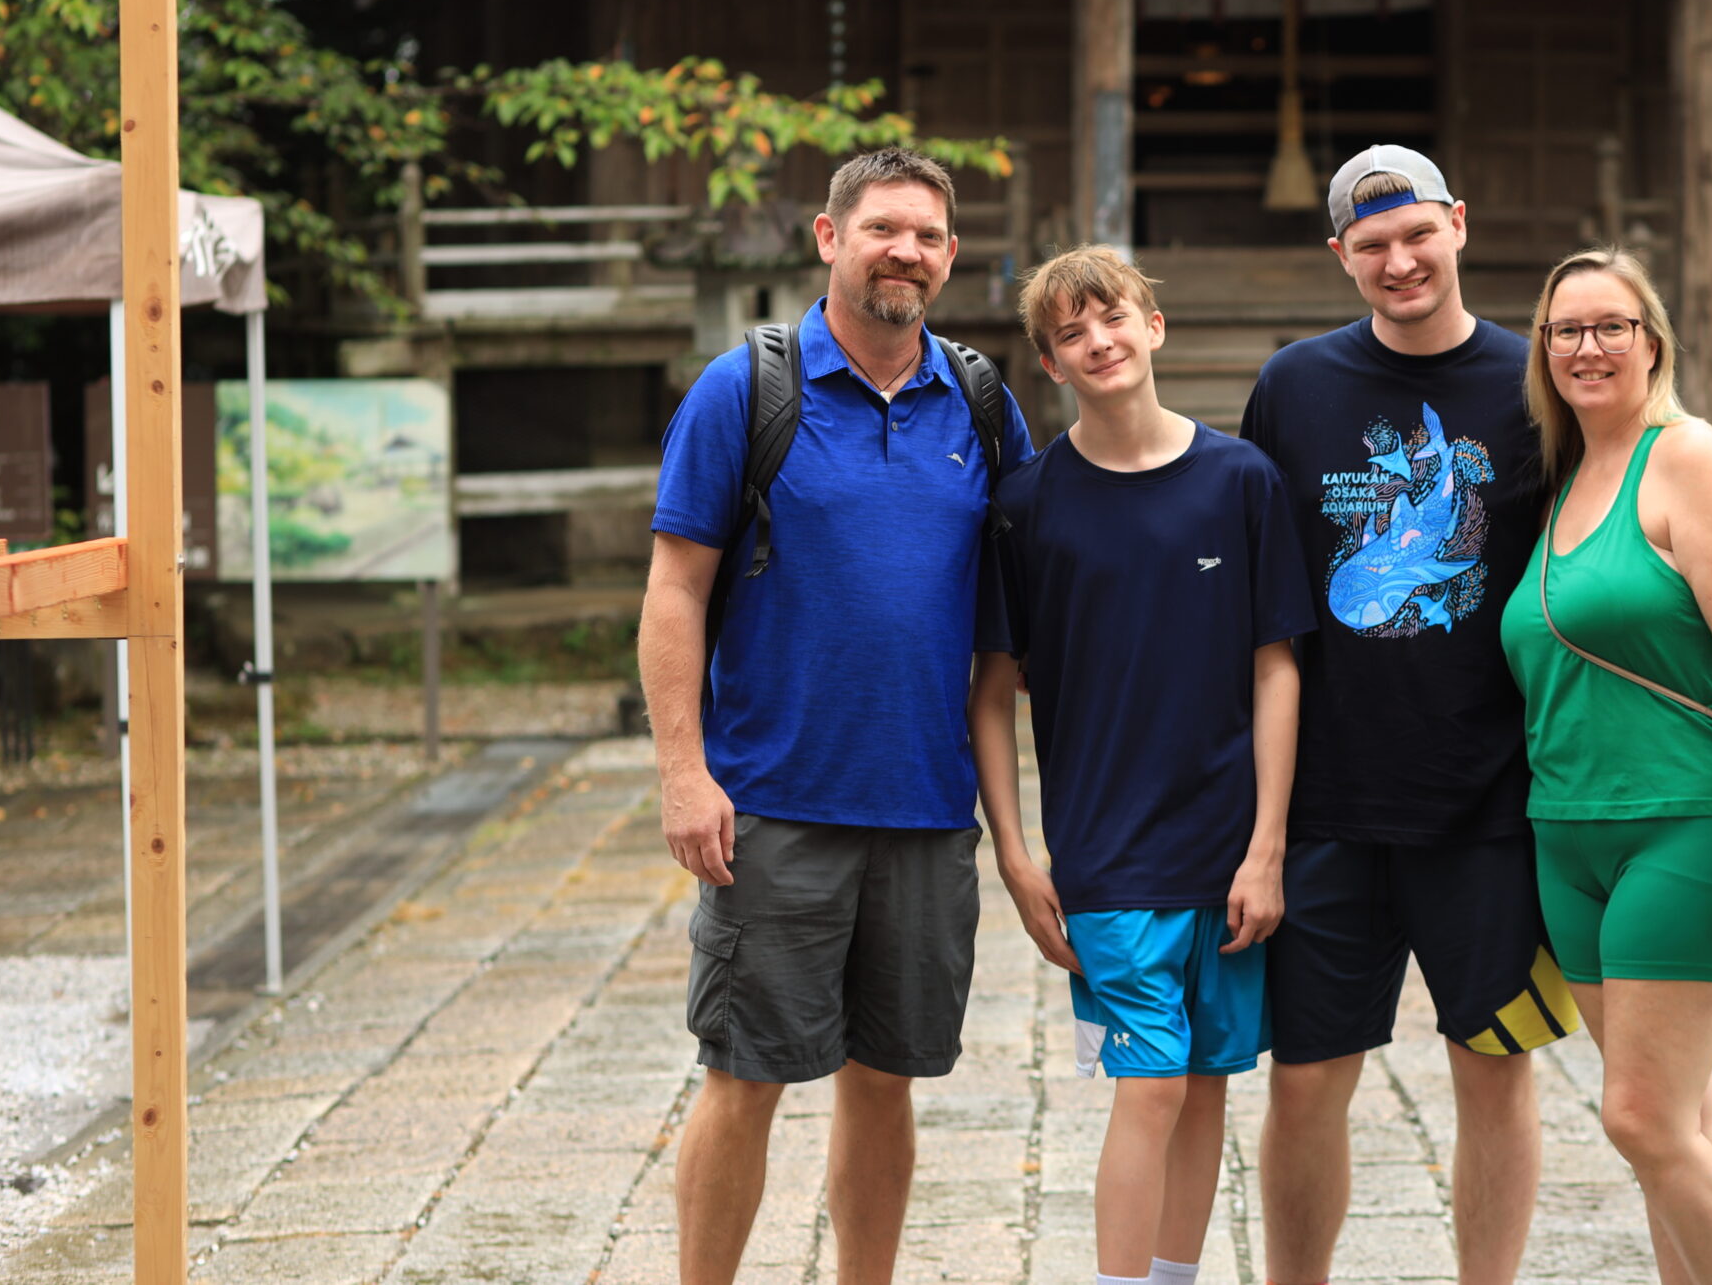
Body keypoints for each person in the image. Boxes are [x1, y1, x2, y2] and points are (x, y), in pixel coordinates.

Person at [639, 148, 1036, 1285]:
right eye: (881, 229)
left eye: (925, 236)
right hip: (772, 804)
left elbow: (1012, 620)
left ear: (950, 259)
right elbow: (675, 588)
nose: (903, 251)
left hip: (921, 804)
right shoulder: (746, 390)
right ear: (828, 237)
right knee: (745, 1074)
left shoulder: (979, 399)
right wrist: (682, 772)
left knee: (887, 1077)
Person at [1238, 146, 1579, 1285]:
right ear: (1341, 256)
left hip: (1490, 802)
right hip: (1331, 801)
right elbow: (1263, 600)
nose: (1399, 261)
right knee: (1305, 1080)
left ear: (1458, 227)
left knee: (1494, 1069)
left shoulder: (1535, 383)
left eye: (1416, 234)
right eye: (1372, 245)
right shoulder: (1294, 387)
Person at [972, 246, 1313, 1285]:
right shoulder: (1028, 505)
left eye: (1110, 318)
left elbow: (1276, 671)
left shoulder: (1241, 482)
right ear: (1050, 365)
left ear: (1152, 327)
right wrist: (1017, 856)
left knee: (1207, 1079)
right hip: (1107, 851)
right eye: (1070, 335)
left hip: (1224, 848)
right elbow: (991, 692)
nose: (1098, 342)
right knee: (1152, 1084)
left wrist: (1266, 849)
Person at [1498, 246, 1712, 1285]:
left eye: (1609, 326)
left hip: (1679, 825)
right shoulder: (1561, 479)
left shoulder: (1688, 455)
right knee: (1678, 1121)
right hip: (1567, 835)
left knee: (1640, 1119)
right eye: (1566, 330)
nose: (1587, 348)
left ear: (1651, 340)